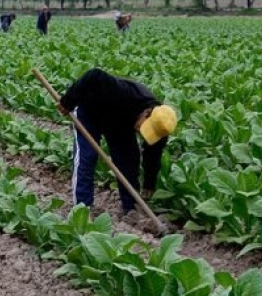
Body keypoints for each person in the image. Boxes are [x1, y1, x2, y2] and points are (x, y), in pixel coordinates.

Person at [57, 68, 177, 218]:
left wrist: (149, 184)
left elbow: (152, 158)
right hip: (90, 112)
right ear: (147, 112)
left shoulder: (161, 127)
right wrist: (68, 101)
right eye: (145, 127)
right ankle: (82, 210)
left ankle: (131, 209)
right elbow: (94, 75)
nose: (141, 131)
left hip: (119, 123)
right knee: (87, 157)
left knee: (129, 161)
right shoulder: (124, 93)